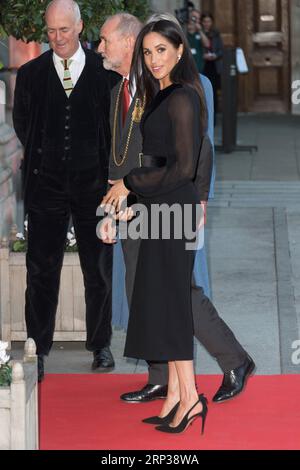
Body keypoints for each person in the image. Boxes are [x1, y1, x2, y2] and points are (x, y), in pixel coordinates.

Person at [99, 13, 255, 409]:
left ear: (128, 40)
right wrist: (111, 209)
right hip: (132, 207)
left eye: (105, 40)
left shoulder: (188, 85)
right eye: (151, 52)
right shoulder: (119, 91)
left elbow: (200, 151)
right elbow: (119, 158)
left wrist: (200, 200)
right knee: (143, 293)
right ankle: (160, 377)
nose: (101, 48)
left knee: (181, 292)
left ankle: (234, 359)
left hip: (169, 204)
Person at [12, 0, 116, 381]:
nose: (57, 38)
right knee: (40, 270)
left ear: (81, 27)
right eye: (51, 31)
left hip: (95, 187)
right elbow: (24, 124)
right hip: (46, 186)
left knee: (99, 270)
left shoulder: (108, 77)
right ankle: (37, 347)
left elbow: (114, 131)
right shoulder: (30, 75)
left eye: (65, 30)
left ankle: (100, 344)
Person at [201, 12, 224, 122]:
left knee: (213, 92)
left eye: (208, 21)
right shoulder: (198, 34)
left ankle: (213, 119)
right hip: (203, 66)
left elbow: (221, 50)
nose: (206, 24)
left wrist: (215, 55)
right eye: (205, 21)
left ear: (212, 22)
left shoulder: (216, 34)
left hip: (214, 67)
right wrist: (203, 55)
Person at [187, 9, 210, 73]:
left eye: (198, 18)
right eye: (194, 17)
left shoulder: (200, 32)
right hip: (186, 68)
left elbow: (207, 44)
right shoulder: (183, 31)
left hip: (198, 68)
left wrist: (200, 30)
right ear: (189, 18)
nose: (196, 20)